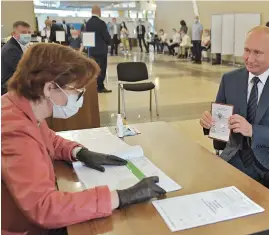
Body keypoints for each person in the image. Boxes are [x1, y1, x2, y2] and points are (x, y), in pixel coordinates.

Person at [1, 43, 166, 235]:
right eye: (76, 91)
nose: (79, 98)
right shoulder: (14, 131)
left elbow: (49, 139)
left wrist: (79, 152)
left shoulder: (21, 107)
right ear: (49, 88)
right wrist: (121, 197)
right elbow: (45, 208)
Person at [199, 26, 269, 211]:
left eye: (257, 52)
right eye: (247, 50)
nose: (249, 58)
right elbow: (221, 127)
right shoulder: (229, 80)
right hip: (238, 154)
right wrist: (210, 125)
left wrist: (252, 130)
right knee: (214, 187)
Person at [86, 5, 112, 93]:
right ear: (99, 12)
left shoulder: (88, 23)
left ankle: (93, 86)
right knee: (102, 69)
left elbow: (87, 37)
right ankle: (100, 87)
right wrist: (109, 42)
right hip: (101, 51)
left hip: (91, 51)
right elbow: (106, 36)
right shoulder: (101, 23)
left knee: (93, 69)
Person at [1, 21, 31, 95]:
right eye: (23, 32)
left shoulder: (18, 45)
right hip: (9, 86)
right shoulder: (11, 49)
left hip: (15, 80)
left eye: (29, 32)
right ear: (14, 34)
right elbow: (23, 70)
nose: (27, 35)